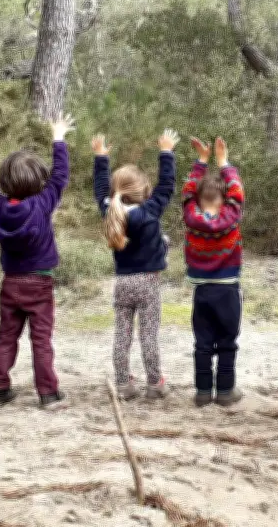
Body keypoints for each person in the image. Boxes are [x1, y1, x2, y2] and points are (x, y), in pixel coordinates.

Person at [0, 117, 74, 411]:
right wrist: (58, 137)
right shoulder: (43, 202)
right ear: (40, 181)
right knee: (41, 340)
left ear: (5, 182)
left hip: (10, 283)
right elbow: (61, 175)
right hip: (40, 282)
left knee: (6, 337)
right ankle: (48, 394)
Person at [93, 129, 179, 400]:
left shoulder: (110, 211)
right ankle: (155, 383)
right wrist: (166, 152)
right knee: (148, 335)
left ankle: (123, 384)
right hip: (148, 283)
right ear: (144, 192)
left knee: (122, 334)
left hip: (122, 282)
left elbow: (99, 189)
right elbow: (167, 186)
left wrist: (100, 159)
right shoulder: (149, 211)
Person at [182, 136, 245, 407]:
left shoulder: (191, 217)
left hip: (202, 291)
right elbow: (237, 192)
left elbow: (186, 192)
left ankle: (203, 391)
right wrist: (223, 163)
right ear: (224, 200)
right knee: (228, 343)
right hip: (228, 289)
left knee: (203, 343)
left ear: (196, 200)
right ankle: (226, 391)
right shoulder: (229, 218)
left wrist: (201, 162)